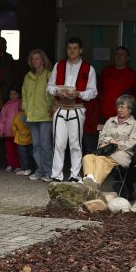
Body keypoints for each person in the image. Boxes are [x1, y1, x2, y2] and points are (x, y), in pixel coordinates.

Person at [47, 38, 98, 182]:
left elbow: (93, 92)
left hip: (77, 108)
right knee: (58, 143)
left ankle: (75, 175)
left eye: (75, 48)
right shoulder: (59, 65)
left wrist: (78, 94)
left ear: (80, 50)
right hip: (60, 107)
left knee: (75, 143)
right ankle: (56, 175)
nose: (72, 51)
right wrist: (58, 91)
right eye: (69, 48)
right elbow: (49, 87)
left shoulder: (89, 68)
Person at [82, 95, 136, 188]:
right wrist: (110, 141)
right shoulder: (110, 121)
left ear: (130, 109)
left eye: (122, 107)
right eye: (118, 107)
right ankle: (91, 180)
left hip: (121, 154)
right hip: (105, 151)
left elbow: (132, 144)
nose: (119, 109)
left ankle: (90, 188)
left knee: (100, 160)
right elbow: (102, 137)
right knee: (87, 157)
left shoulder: (135, 125)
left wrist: (117, 144)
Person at [22, 49, 53, 183]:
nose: (35, 61)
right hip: (32, 115)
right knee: (36, 145)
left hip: (45, 115)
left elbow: (52, 95)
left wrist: (50, 108)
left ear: (43, 61)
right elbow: (24, 94)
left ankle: (48, 171)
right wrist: (25, 108)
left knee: (46, 145)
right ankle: (39, 170)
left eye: (38, 58)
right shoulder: (28, 76)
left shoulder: (49, 75)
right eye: (33, 59)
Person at [99, 46, 136, 121]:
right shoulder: (106, 71)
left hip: (123, 116)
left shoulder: (132, 75)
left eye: (122, 54)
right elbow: (100, 90)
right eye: (117, 54)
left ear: (127, 58)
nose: (118, 56)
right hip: (104, 115)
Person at [0, 89, 22, 172]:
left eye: (15, 94)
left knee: (18, 150)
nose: (13, 96)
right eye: (11, 94)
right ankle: (10, 164)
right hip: (8, 132)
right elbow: (2, 119)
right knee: (9, 150)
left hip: (18, 132)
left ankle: (18, 165)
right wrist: (0, 130)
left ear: (19, 94)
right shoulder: (6, 105)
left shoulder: (21, 104)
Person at [12, 107, 34, 176]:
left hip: (20, 139)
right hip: (30, 138)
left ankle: (24, 169)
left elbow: (13, 126)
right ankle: (31, 169)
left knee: (22, 155)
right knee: (30, 154)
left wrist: (16, 135)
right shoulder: (31, 115)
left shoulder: (18, 116)